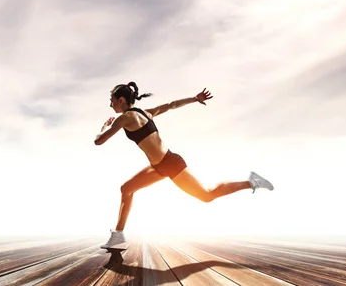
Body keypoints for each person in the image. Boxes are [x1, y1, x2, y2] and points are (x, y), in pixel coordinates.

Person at [94, 82, 274, 249]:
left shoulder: (124, 118)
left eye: (111, 101)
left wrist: (103, 127)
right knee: (127, 189)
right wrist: (195, 99)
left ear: (121, 100)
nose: (111, 105)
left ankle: (252, 182)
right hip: (159, 166)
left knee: (206, 195)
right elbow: (171, 105)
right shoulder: (144, 113)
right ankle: (118, 235)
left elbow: (99, 141)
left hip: (170, 164)